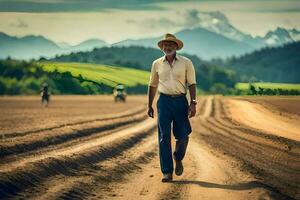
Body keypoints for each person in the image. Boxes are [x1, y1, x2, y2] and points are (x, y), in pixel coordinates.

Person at [147, 33, 197, 182]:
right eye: (165, 45)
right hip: (163, 101)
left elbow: (192, 83)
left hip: (181, 101)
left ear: (176, 47)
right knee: (163, 137)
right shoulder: (156, 63)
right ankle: (167, 172)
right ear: (162, 47)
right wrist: (149, 105)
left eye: (170, 45)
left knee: (183, 135)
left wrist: (193, 102)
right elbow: (152, 84)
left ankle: (178, 157)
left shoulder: (186, 62)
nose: (167, 47)